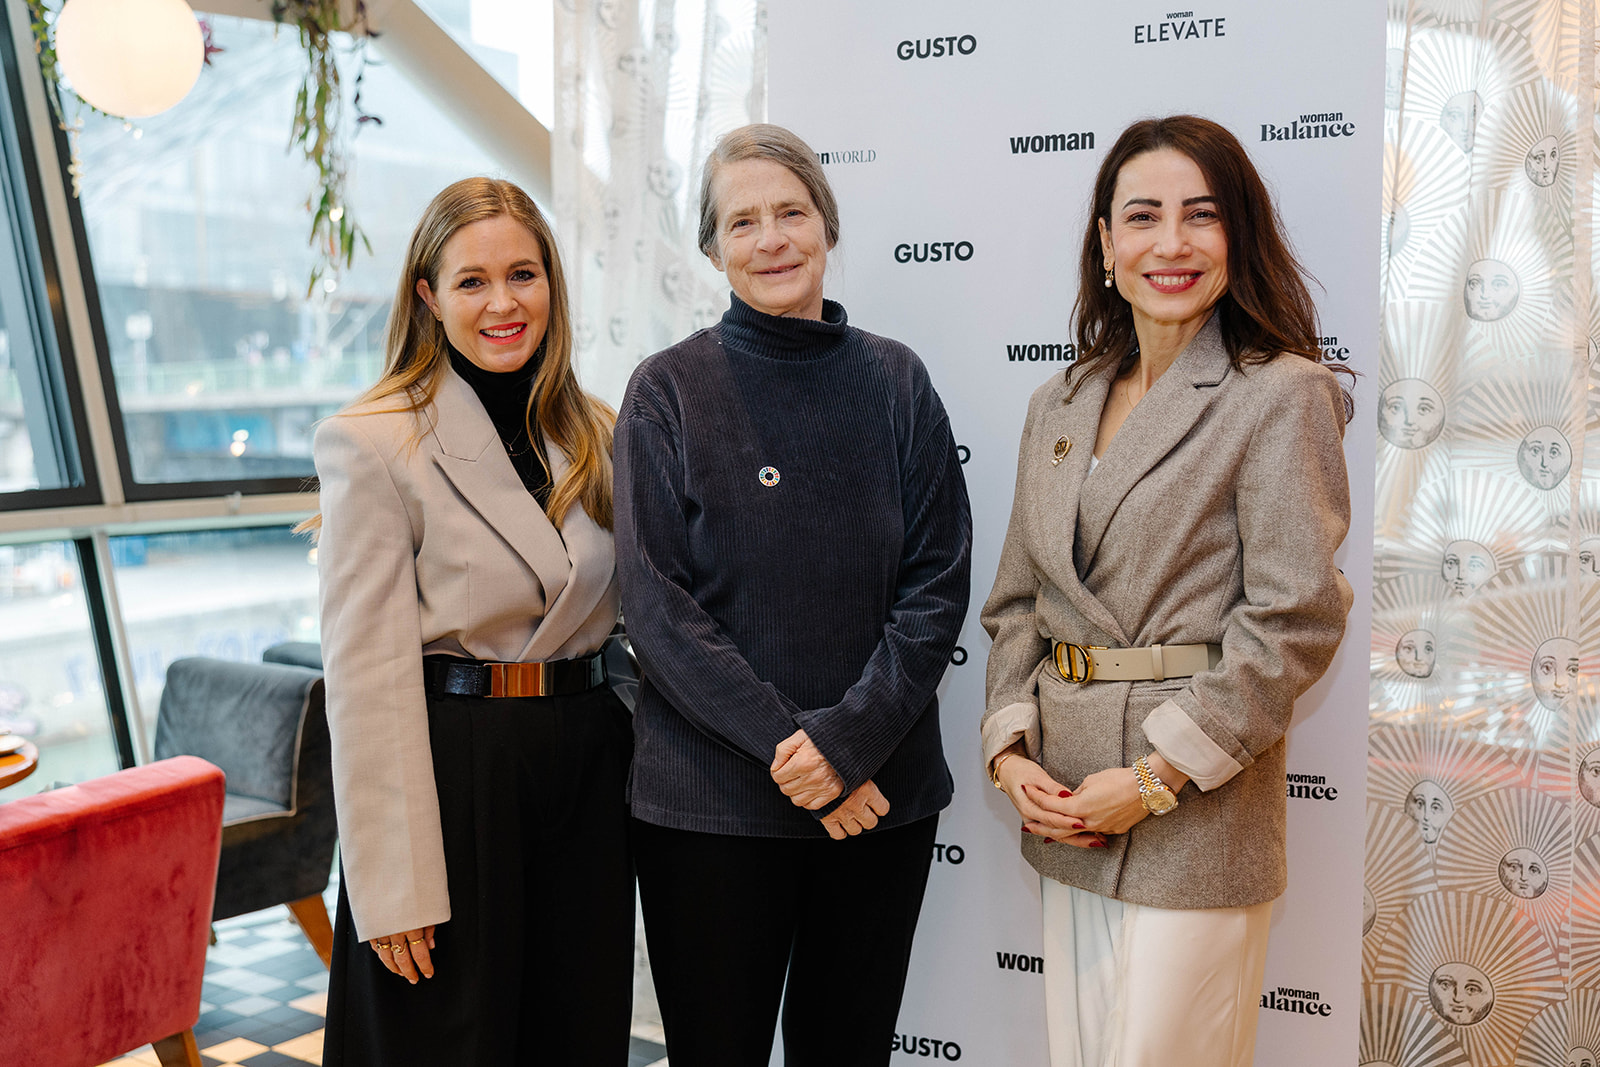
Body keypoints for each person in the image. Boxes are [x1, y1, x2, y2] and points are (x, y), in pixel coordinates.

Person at [980, 115, 1354, 1067]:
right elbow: (1019, 603)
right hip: (1068, 803)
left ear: (1239, 235)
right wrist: (1011, 753)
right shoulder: (1059, 402)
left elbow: (1294, 622)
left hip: (1195, 811)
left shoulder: (1280, 393)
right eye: (1143, 216)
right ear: (1107, 244)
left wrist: (1154, 780)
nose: (1172, 242)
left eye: (1202, 215)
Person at [614, 123, 972, 1067]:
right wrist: (799, 753)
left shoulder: (896, 381)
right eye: (743, 222)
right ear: (712, 249)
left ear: (827, 226)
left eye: (791, 212)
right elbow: (657, 606)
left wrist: (845, 747)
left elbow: (937, 582)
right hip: (712, 810)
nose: (771, 239)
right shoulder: (666, 391)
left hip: (877, 799)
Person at [310, 177, 633, 1065]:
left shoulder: (598, 430)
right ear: (428, 295)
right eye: (472, 281)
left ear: (551, 282)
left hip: (586, 769)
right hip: (455, 771)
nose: (503, 303)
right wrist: (394, 886)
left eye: (523, 274)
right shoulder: (372, 439)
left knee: (575, 1034)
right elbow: (366, 681)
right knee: (450, 1040)